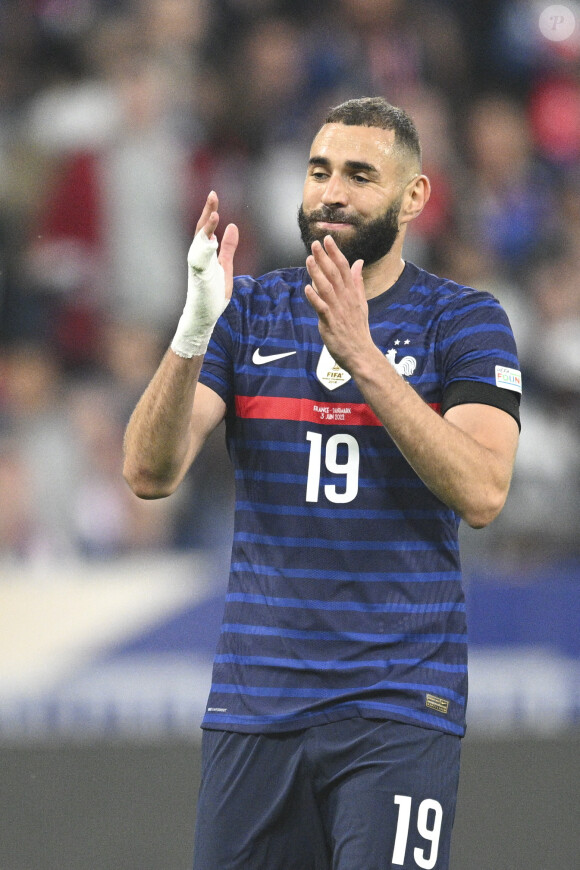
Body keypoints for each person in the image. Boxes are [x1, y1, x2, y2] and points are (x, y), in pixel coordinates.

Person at [123, 97, 521, 870]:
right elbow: (148, 472)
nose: (332, 191)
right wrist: (194, 329)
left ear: (414, 198)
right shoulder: (249, 315)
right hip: (256, 705)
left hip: (398, 706)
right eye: (319, 170)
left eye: (361, 174)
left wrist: (363, 356)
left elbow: (483, 492)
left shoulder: (464, 321)